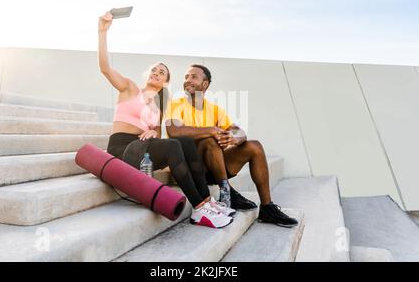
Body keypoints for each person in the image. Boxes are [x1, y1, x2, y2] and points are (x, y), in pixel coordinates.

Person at [97, 12, 235, 228]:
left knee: (185, 143)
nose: (156, 73)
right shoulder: (130, 88)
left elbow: (158, 136)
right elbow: (105, 68)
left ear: (166, 81)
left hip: (143, 150)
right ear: (148, 75)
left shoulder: (158, 106)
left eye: (162, 72)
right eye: (154, 70)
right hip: (121, 149)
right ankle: (199, 208)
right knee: (172, 146)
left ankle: (207, 201)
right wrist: (102, 32)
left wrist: (154, 132)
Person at [165, 64, 298, 228]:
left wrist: (234, 138)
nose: (187, 80)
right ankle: (227, 192)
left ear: (205, 84)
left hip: (215, 165)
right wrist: (212, 130)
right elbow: (174, 131)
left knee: (254, 146)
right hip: (191, 169)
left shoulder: (214, 110)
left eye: (193, 77)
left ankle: (267, 207)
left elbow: (239, 132)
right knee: (209, 140)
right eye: (186, 77)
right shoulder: (175, 104)